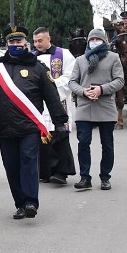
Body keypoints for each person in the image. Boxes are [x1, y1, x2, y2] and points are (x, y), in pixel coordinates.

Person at [0, 26, 67, 220]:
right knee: (11, 167)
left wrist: (60, 121)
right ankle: (19, 204)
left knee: (28, 163)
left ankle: (30, 202)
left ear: (25, 43)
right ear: (6, 45)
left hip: (29, 127)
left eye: (19, 41)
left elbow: (51, 97)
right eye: (12, 42)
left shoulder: (38, 68)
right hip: (5, 128)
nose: (15, 45)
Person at [67, 30, 125, 191]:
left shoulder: (113, 58)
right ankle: (85, 177)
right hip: (85, 106)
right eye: (91, 39)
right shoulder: (80, 60)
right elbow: (72, 82)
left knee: (107, 144)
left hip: (105, 106)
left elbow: (120, 80)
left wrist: (101, 89)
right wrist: (84, 91)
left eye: (97, 39)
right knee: (83, 142)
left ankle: (105, 177)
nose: (94, 41)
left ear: (104, 41)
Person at [31, 27, 77, 185]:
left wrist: (49, 88)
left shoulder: (64, 54)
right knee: (42, 138)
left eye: (40, 40)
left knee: (60, 136)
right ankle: (45, 171)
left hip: (58, 101)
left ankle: (61, 172)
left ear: (48, 38)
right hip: (38, 103)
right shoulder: (31, 57)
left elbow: (70, 77)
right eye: (35, 41)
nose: (37, 44)